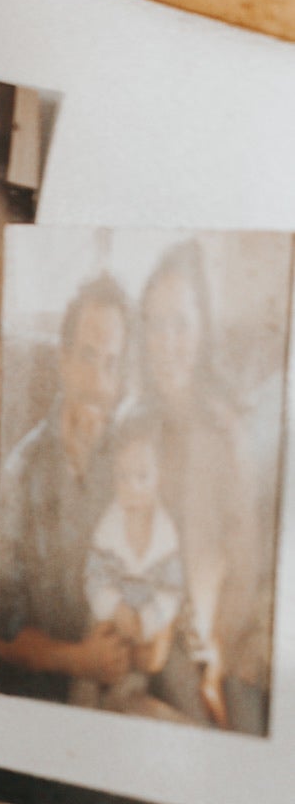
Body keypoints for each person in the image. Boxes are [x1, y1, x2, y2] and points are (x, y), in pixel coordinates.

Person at [139, 238, 268, 732]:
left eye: (180, 324)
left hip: (221, 644)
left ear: (201, 333)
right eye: (154, 324)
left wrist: (218, 658)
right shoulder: (139, 426)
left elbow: (245, 568)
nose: (166, 342)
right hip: (156, 638)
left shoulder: (225, 433)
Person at [0, 274, 135, 705]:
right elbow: (4, 634)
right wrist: (79, 661)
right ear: (64, 359)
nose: (98, 380)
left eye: (112, 363)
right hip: (42, 691)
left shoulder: (133, 464)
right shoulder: (22, 470)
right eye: (89, 357)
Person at [72, 406, 208, 722]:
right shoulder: (109, 525)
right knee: (88, 679)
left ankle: (122, 702)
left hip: (146, 624)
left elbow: (171, 591)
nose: (131, 486)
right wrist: (114, 608)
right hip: (108, 618)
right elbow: (93, 576)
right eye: (123, 476)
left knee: (135, 682)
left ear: (160, 479)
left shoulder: (166, 534)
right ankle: (80, 712)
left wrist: (147, 621)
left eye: (142, 476)